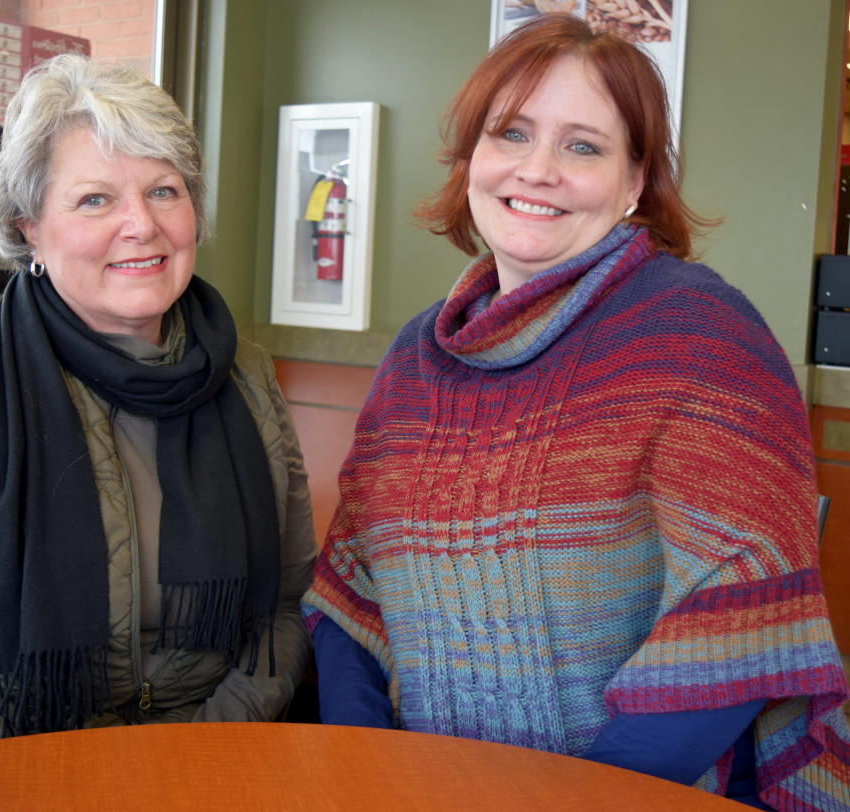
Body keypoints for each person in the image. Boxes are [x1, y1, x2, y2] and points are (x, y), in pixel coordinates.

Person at [302, 13, 850, 811]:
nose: (539, 169)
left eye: (584, 145)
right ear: (472, 161)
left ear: (635, 184)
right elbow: (353, 593)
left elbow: (739, 620)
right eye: (511, 134)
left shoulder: (699, 333)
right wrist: (366, 773)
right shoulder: (417, 357)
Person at [0, 53, 316, 770]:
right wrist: (35, 787)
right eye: (95, 200)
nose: (140, 226)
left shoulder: (247, 375)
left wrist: (196, 760)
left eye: (163, 191)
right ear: (30, 230)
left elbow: (283, 608)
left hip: (186, 753)